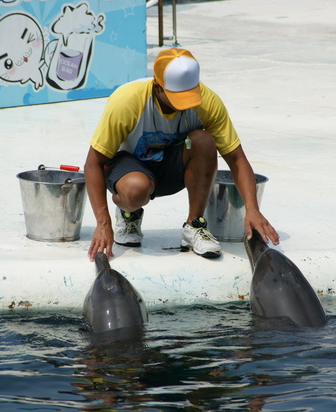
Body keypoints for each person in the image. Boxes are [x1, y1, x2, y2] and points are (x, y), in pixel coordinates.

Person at [84, 48, 279, 260]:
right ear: (157, 87)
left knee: (204, 140)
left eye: (190, 97)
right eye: (178, 99)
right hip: (127, 166)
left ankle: (194, 224)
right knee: (135, 189)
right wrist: (103, 223)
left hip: (170, 167)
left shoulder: (208, 102)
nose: (185, 106)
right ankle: (128, 213)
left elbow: (237, 159)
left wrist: (252, 209)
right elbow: (93, 163)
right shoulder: (127, 101)